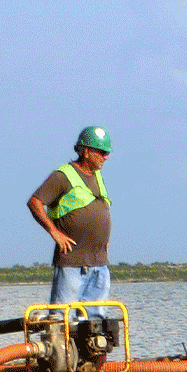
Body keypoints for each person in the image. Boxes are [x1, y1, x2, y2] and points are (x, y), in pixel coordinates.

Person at [28, 126, 114, 305]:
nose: (106, 157)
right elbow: (35, 202)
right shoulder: (62, 176)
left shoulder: (98, 176)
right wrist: (55, 233)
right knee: (62, 321)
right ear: (87, 152)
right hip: (72, 265)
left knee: (95, 323)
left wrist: (102, 236)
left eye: (107, 153)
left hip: (100, 265)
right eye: (102, 152)